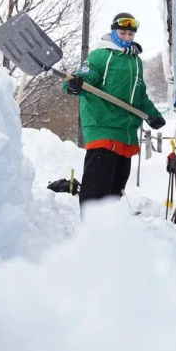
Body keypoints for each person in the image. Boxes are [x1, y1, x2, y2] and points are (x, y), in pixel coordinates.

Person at [63, 12, 165, 212]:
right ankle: (90, 232)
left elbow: (140, 94)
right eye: (122, 32)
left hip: (125, 132)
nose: (127, 37)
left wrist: (152, 115)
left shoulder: (135, 62)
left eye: (130, 34)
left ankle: (109, 232)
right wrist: (75, 84)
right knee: (96, 190)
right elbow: (87, 75)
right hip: (102, 127)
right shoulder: (100, 55)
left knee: (114, 191)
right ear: (113, 31)